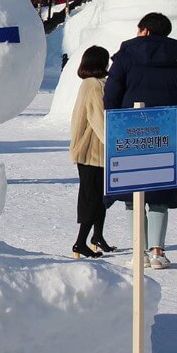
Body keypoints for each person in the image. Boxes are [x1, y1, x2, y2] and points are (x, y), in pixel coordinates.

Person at [104, 12, 177, 269]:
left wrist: (117, 126)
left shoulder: (124, 58)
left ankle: (139, 251)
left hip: (129, 133)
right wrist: (175, 126)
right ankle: (157, 251)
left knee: (132, 193)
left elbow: (111, 96)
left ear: (144, 30)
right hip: (164, 133)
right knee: (160, 191)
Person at [68, 45, 115, 259]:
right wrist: (113, 143)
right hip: (92, 150)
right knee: (92, 195)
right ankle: (80, 242)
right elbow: (99, 118)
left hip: (93, 149)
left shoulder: (90, 84)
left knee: (99, 194)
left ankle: (97, 237)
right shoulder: (94, 85)